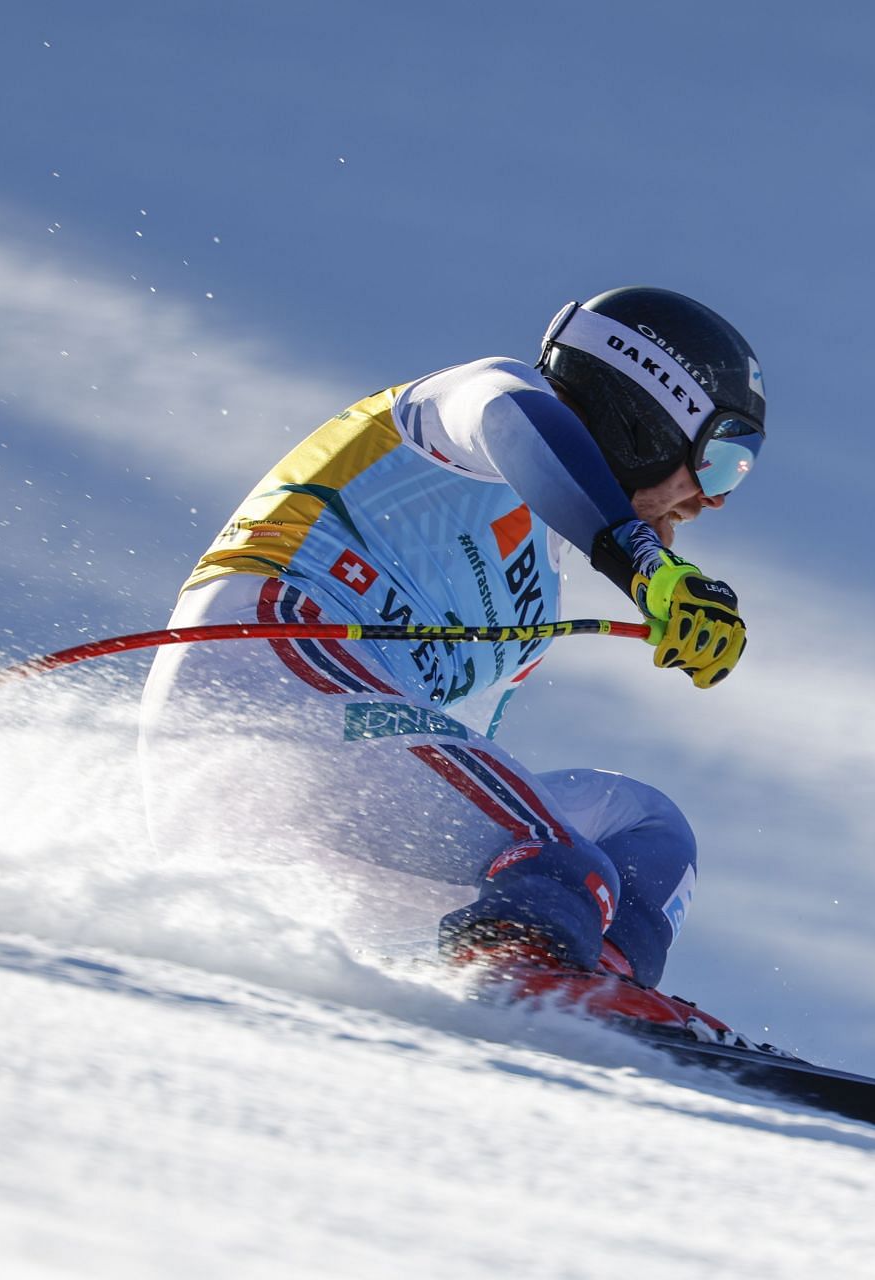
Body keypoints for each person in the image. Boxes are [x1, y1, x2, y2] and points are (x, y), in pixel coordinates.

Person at [137, 287, 766, 1031]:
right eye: (719, 462)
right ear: (648, 415)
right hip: (266, 678)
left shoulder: (536, 601)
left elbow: (444, 762)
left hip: (325, 807)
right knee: (561, 860)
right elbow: (513, 421)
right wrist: (642, 565)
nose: (710, 502)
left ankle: (594, 989)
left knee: (645, 829)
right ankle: (543, 990)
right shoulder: (472, 403)